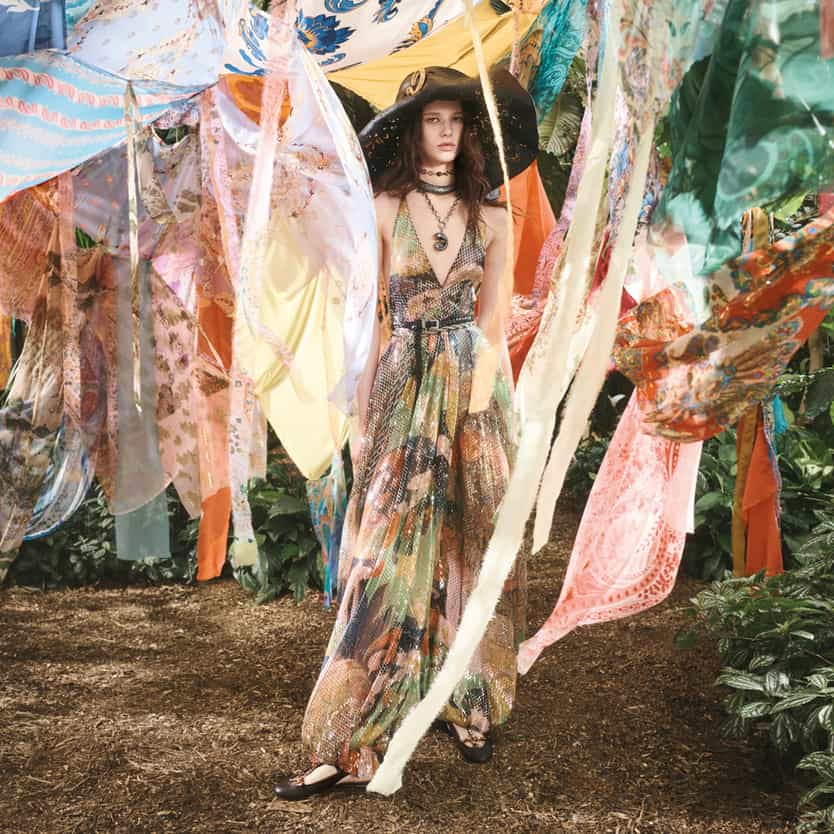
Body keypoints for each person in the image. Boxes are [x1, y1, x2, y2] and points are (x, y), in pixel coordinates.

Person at [274, 66, 538, 800]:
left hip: (472, 389)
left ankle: (469, 701)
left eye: (456, 119)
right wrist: (362, 418)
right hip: (401, 383)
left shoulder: (494, 217)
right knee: (383, 555)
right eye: (432, 119)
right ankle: (349, 738)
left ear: (469, 131)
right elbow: (368, 318)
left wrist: (483, 400)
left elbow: (493, 321)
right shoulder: (384, 207)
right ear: (411, 131)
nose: (446, 131)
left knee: (473, 544)